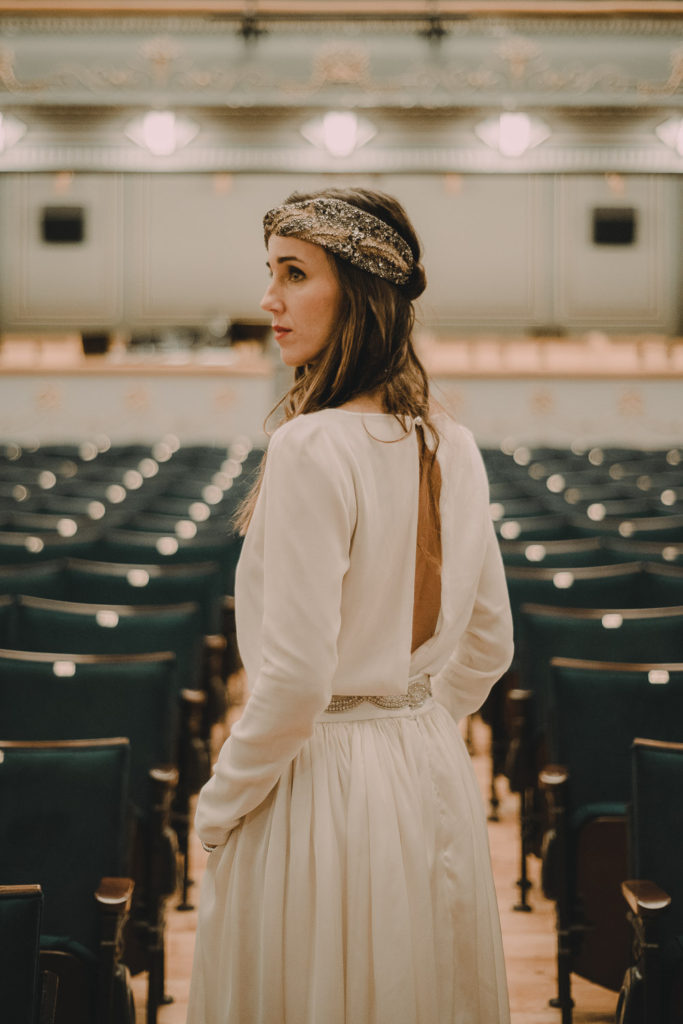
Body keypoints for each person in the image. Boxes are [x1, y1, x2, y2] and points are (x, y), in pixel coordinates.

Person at [186, 187, 514, 1024]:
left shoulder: (309, 444)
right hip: (426, 764)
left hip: (320, 780)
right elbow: (487, 646)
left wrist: (217, 803)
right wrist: (410, 719)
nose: (269, 300)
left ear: (361, 295)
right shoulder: (453, 440)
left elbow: (294, 684)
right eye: (271, 274)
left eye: (293, 274)